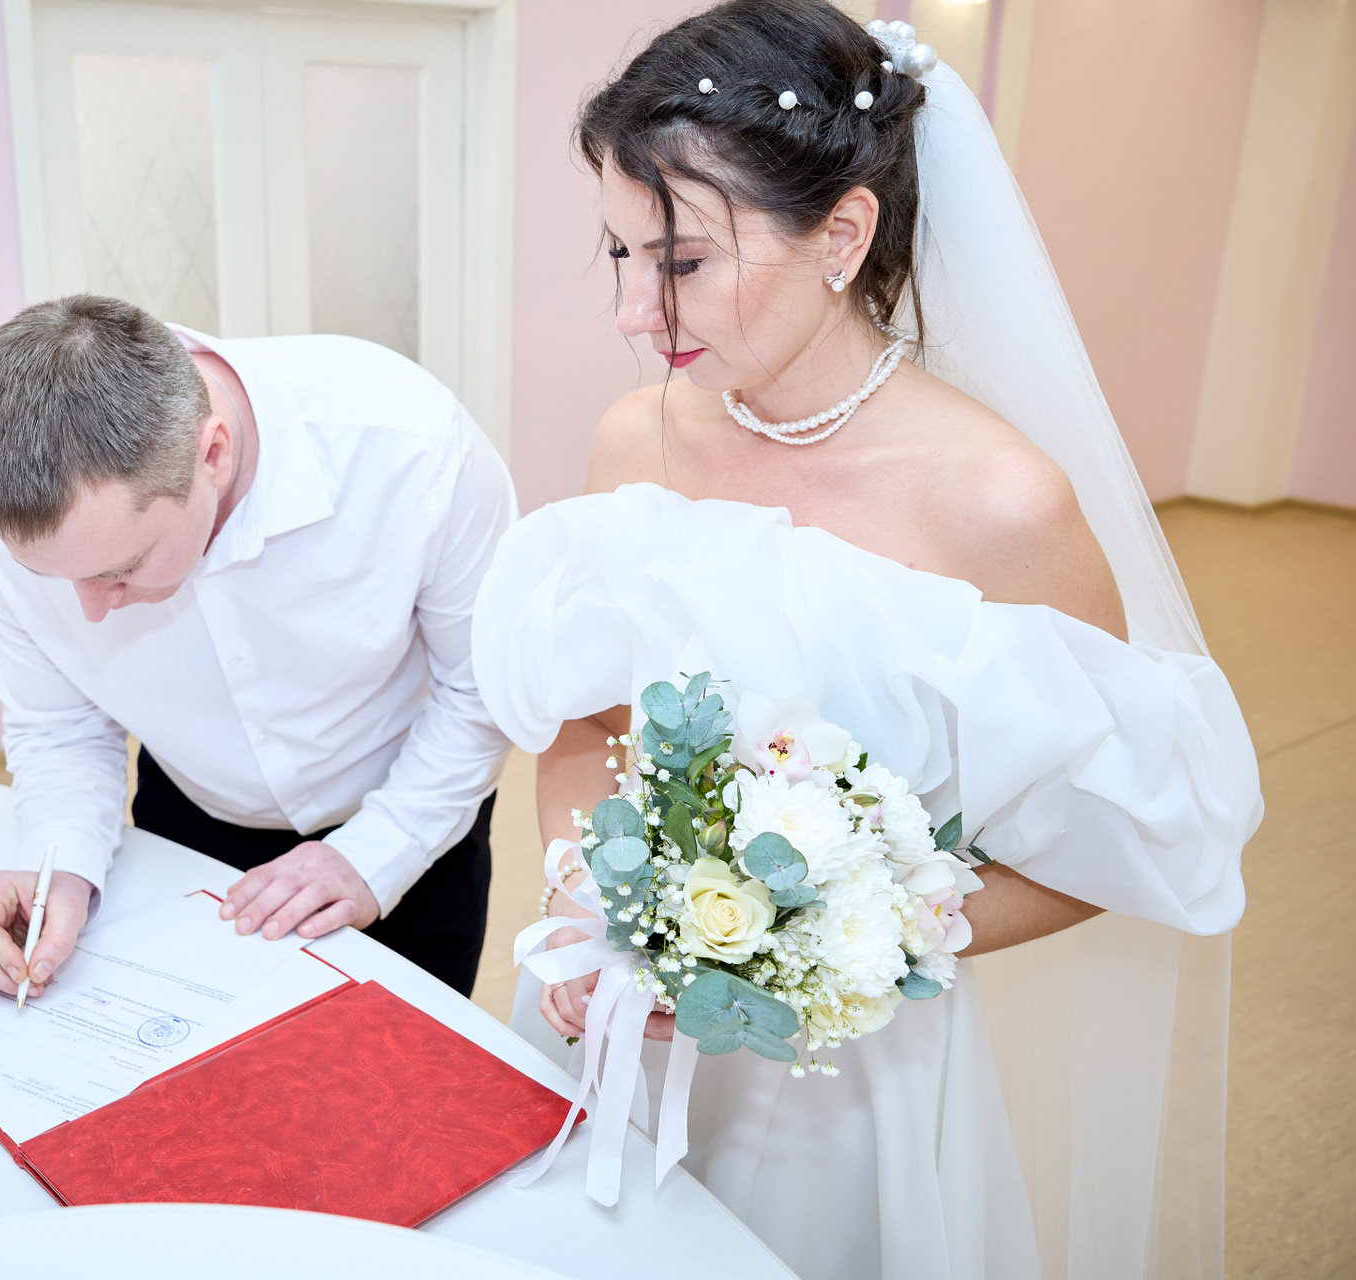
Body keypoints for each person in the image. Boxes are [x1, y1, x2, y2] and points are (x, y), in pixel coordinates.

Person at [471, 3, 1260, 1278]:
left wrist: (818, 945)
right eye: (618, 252)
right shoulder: (638, 441)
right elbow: (589, 719)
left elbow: (1123, 844)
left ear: (842, 234)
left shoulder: (1002, 505)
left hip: (835, 1070)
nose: (631, 311)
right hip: (612, 1010)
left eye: (681, 261)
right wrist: (581, 893)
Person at [0, 295, 515, 998]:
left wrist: (379, 852)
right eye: (55, 579)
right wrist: (56, 866)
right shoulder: (8, 526)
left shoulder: (411, 449)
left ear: (212, 453)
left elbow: (482, 687)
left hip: (414, 815)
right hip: (187, 829)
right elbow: (61, 726)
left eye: (121, 569)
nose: (91, 611)